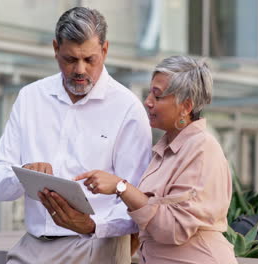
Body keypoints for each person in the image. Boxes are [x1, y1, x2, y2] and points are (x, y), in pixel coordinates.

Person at [0, 6, 152, 264]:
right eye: (70, 59)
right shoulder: (30, 98)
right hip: (32, 245)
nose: (80, 70)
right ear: (55, 49)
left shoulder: (128, 109)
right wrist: (23, 173)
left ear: (105, 50)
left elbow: (138, 201)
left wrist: (90, 224)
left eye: (90, 59)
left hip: (98, 247)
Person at [75, 56, 238, 264]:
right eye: (150, 92)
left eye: (158, 96)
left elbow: (173, 228)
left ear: (186, 106)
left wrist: (120, 186)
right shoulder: (165, 150)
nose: (148, 102)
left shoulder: (202, 148)